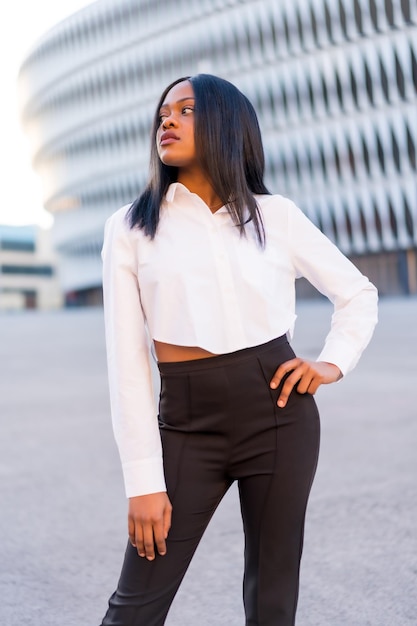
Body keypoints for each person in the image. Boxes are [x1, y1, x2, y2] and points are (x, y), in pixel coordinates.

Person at [100, 74, 378, 626]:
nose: (168, 120)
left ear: (227, 124)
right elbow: (127, 363)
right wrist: (142, 482)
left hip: (278, 415)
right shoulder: (130, 228)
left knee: (272, 603)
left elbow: (357, 294)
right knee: (134, 608)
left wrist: (331, 363)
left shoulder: (276, 216)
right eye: (163, 113)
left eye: (186, 110)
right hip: (186, 425)